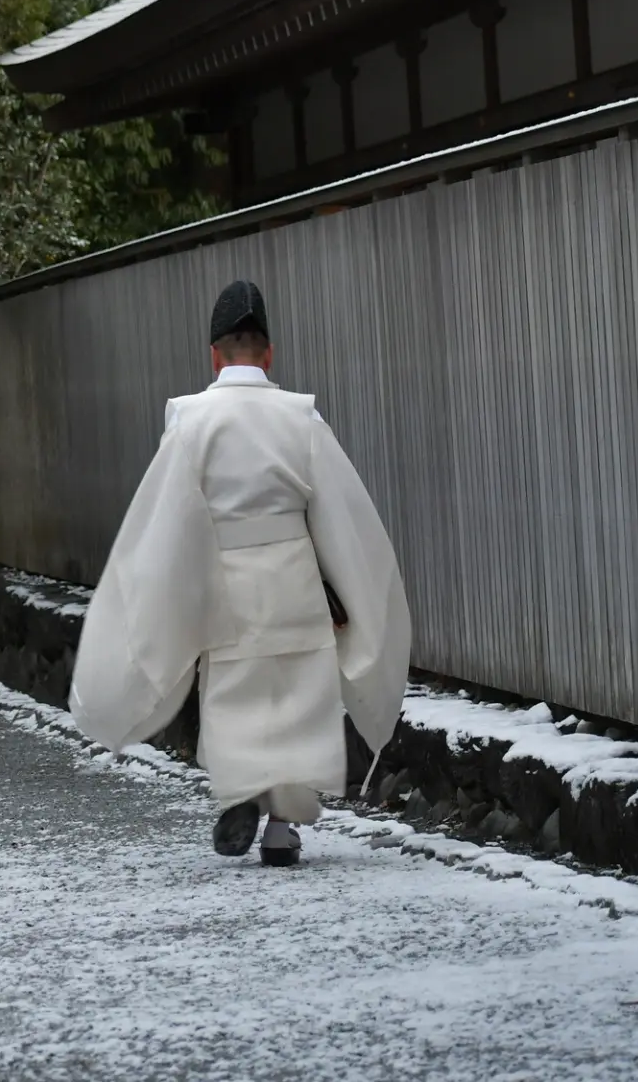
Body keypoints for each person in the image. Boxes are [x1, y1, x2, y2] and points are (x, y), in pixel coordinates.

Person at [68, 280, 411, 866]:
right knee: (298, 701)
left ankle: (243, 790)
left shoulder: (191, 421)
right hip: (293, 584)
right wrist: (350, 591)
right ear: (269, 353)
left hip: (227, 588)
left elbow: (168, 521)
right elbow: (341, 514)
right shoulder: (300, 418)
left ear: (213, 355)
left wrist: (171, 597)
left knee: (237, 699)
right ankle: (281, 828)